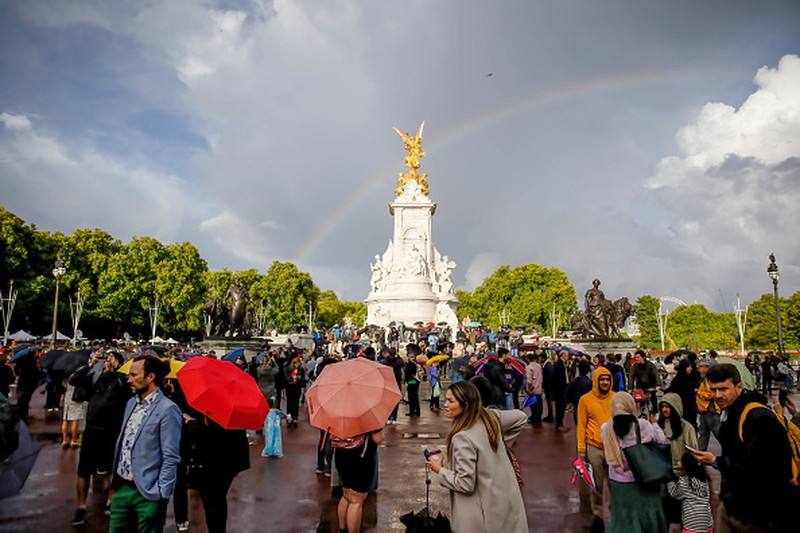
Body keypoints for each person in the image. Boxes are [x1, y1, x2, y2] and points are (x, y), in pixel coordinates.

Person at [692, 363, 794, 531]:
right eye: (713, 390)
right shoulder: (733, 413)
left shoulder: (756, 417)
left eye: (723, 389)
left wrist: (717, 461)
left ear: (739, 387)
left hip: (756, 512)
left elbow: (764, 468)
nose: (717, 395)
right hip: (738, 504)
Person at [425, 381, 528, 532]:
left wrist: (439, 470)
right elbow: (521, 417)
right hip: (504, 504)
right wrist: (498, 441)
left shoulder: (462, 437)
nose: (445, 404)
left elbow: (465, 483)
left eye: (450, 401)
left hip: (481, 516)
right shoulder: (490, 418)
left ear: (465, 405)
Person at [109, 356, 182, 533]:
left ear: (150, 377)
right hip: (122, 488)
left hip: (148, 493)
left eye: (134, 375)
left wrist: (161, 493)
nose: (129, 380)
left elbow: (170, 456)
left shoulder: (168, 409)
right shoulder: (131, 403)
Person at [68, 350, 131, 528]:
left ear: (119, 363)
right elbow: (74, 380)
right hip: (92, 429)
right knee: (84, 470)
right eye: (107, 359)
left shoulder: (122, 379)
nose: (108, 362)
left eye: (113, 360)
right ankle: (81, 506)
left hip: (113, 431)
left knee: (112, 469)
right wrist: (90, 364)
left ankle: (111, 501)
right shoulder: (94, 377)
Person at [601, 392, 667, 533]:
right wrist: (654, 424)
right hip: (643, 478)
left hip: (618, 481)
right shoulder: (642, 425)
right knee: (645, 514)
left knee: (622, 517)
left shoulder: (605, 428)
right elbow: (661, 439)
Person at [189, 414, 250, 532]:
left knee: (212, 500)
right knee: (218, 498)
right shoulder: (233, 409)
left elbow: (209, 433)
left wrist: (191, 424)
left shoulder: (214, 411)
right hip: (230, 460)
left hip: (214, 461)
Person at [576, 366, 614, 533]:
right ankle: (598, 513)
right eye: (602, 379)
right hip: (594, 447)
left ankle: (614, 512)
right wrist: (581, 452)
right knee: (596, 484)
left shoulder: (616, 398)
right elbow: (581, 426)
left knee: (615, 482)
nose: (605, 382)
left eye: (607, 379)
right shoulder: (585, 400)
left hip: (613, 448)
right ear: (596, 381)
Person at [656, 393, 698, 529]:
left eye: (668, 406)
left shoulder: (687, 428)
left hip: (682, 476)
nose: (664, 410)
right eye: (662, 406)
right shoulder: (658, 427)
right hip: (663, 477)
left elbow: (694, 453)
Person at [334, 430, 384, 533]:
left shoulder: (339, 414)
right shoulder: (367, 415)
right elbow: (377, 438)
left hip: (341, 455)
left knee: (346, 495)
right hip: (361, 458)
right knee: (356, 501)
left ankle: (342, 529)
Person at [666, 453, 713, 533]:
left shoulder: (685, 482)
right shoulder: (705, 481)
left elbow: (673, 493)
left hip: (691, 526)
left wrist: (669, 479)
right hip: (707, 525)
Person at [665, 358, 699, 429]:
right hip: (681, 408)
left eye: (690, 366)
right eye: (688, 367)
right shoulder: (677, 380)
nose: (690, 368)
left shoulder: (690, 378)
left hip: (690, 408)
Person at [694, 360, 720, 451]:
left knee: (716, 431)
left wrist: (698, 392)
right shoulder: (706, 379)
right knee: (703, 432)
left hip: (710, 409)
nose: (699, 370)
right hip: (705, 410)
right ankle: (701, 452)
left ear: (706, 368)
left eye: (700, 367)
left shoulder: (709, 380)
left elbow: (710, 395)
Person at [628, 350, 661, 415]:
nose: (636, 359)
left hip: (650, 385)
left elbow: (656, 374)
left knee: (653, 398)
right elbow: (631, 377)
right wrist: (630, 388)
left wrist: (658, 385)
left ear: (643, 357)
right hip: (640, 386)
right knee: (640, 401)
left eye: (638, 357)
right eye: (636, 357)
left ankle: (655, 412)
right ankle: (641, 413)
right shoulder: (634, 366)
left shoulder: (650, 365)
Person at [566, 360, 593, 424]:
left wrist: (570, 401)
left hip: (577, 405)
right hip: (587, 407)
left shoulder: (575, 381)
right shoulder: (590, 382)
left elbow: (568, 391)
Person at [61, 379, 87, 448]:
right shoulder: (78, 373)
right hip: (76, 395)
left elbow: (63, 386)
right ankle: (74, 440)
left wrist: (62, 395)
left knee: (65, 419)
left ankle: (65, 439)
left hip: (67, 395)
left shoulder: (65, 372)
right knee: (75, 419)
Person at [284, 356, 305, 428]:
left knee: (296, 403)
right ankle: (289, 417)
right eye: (295, 363)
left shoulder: (301, 370)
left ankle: (295, 417)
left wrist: (299, 378)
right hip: (290, 387)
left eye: (298, 363)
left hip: (297, 387)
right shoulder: (288, 369)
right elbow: (286, 377)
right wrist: (291, 378)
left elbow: (303, 378)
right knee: (289, 403)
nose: (297, 365)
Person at [553, 350, 570, 431]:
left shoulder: (563, 364)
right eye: (566, 355)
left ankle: (560, 423)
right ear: (562, 356)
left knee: (562, 407)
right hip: (560, 389)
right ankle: (559, 424)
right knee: (560, 407)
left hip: (562, 388)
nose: (568, 357)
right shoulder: (559, 364)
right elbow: (556, 378)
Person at [525, 352, 544, 425]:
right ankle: (538, 418)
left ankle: (534, 418)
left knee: (533, 404)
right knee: (539, 404)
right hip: (539, 387)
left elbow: (529, 380)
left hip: (533, 388)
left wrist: (529, 389)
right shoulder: (539, 366)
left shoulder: (529, 367)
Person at [404, 344, 421, 417]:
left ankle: (412, 411)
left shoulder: (410, 364)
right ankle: (417, 410)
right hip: (416, 381)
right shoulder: (416, 363)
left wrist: (406, 380)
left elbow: (409, 374)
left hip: (411, 381)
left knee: (411, 397)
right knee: (415, 397)